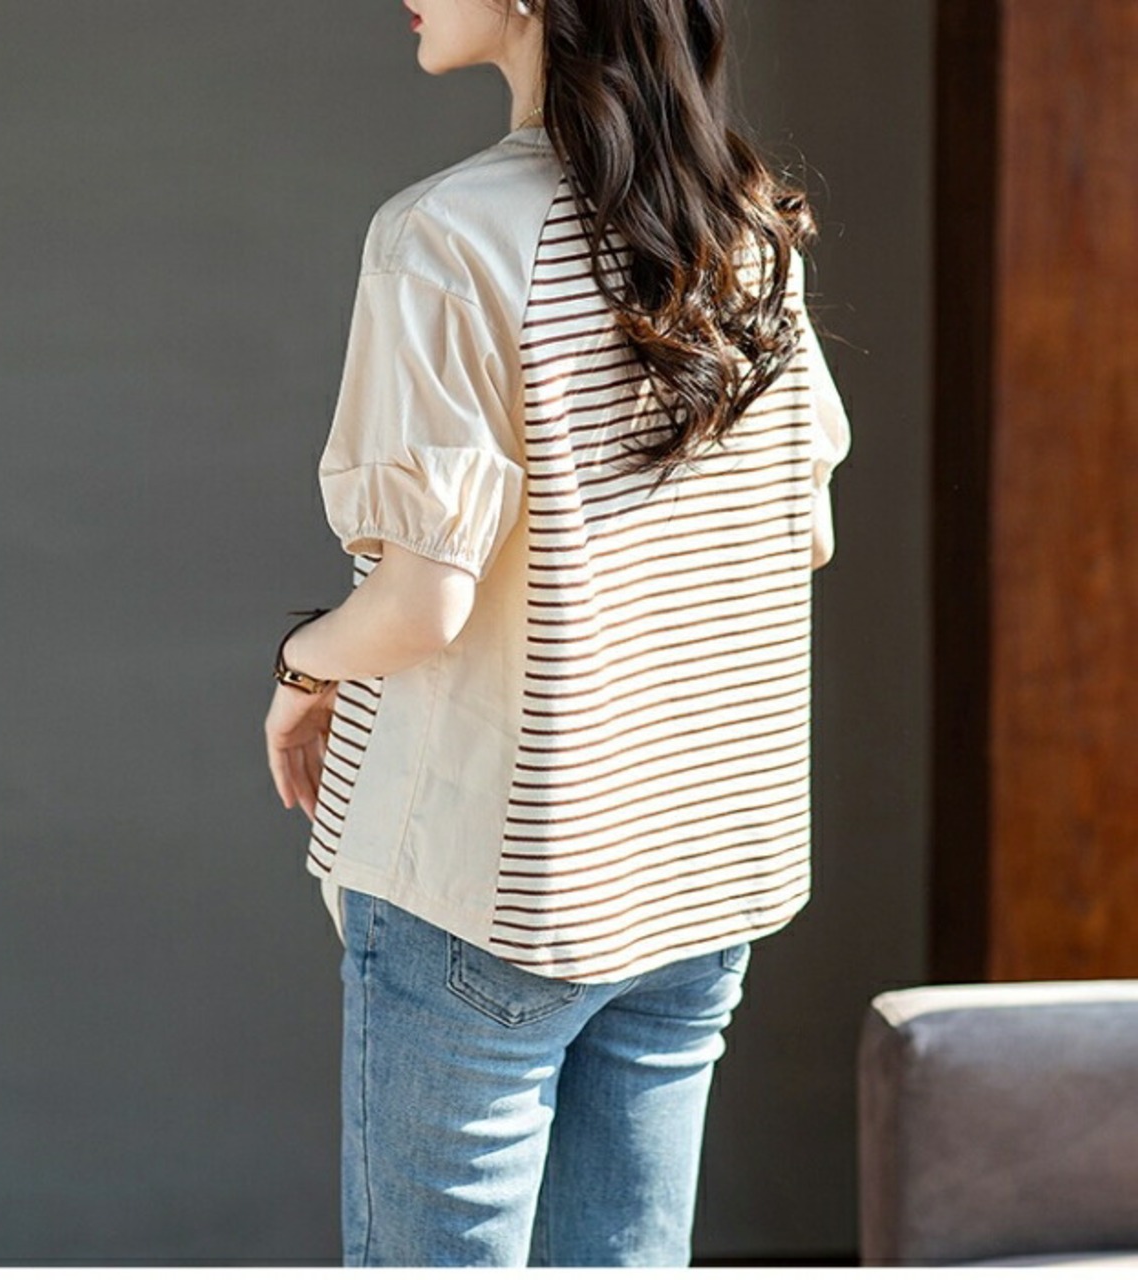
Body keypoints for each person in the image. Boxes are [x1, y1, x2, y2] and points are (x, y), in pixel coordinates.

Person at [264, 0, 852, 1266]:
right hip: (696, 874)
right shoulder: (749, 230)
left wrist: (298, 664)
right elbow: (799, 532)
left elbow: (420, 604)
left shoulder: (445, 236)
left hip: (489, 882)